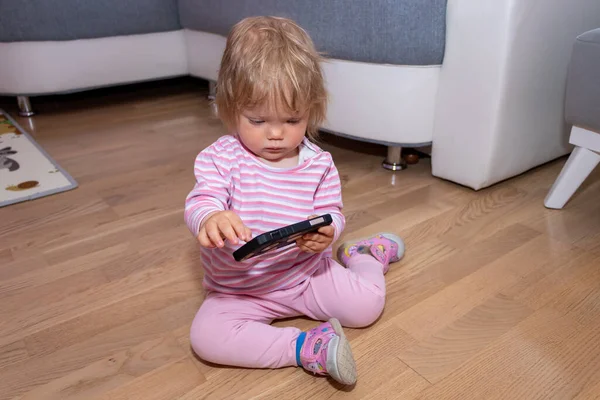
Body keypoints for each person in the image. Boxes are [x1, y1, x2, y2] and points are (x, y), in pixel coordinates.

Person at [184, 16, 405, 386]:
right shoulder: (220, 158)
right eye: (256, 119)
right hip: (239, 290)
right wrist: (211, 218)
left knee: (367, 307)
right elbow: (201, 199)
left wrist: (328, 233)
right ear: (229, 107)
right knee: (206, 338)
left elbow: (332, 212)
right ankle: (306, 347)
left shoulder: (319, 164)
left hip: (306, 275)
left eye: (292, 119)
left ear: (312, 110)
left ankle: (365, 258)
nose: (275, 133)